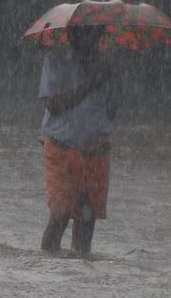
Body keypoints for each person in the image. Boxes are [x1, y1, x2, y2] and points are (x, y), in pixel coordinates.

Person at [38, 29, 116, 256]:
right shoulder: (55, 60)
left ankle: (80, 275)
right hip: (61, 147)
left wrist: (113, 78)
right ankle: (47, 264)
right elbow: (53, 104)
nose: (90, 41)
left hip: (96, 149)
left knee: (86, 217)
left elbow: (113, 110)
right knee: (61, 213)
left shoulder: (104, 65)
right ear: (71, 36)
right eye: (84, 35)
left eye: (95, 36)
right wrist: (92, 83)